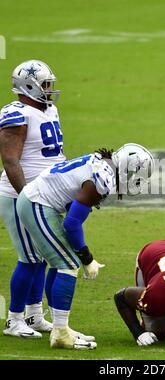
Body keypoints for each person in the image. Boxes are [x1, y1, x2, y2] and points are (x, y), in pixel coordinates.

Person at [16, 143, 155, 349]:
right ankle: (61, 333)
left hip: (36, 201)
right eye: (136, 173)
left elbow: (74, 211)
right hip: (37, 203)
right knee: (68, 264)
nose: (137, 179)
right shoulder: (103, 178)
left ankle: (59, 327)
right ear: (126, 168)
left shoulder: (104, 165)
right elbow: (72, 223)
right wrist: (87, 258)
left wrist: (82, 253)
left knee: (60, 262)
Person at [0, 60, 66, 338]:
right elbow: (10, 159)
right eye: (45, 84)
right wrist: (27, 195)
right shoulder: (16, 113)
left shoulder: (49, 109)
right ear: (28, 86)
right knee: (29, 257)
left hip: (45, 193)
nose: (50, 90)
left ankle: (34, 315)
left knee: (41, 257)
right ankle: (14, 320)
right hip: (20, 195)